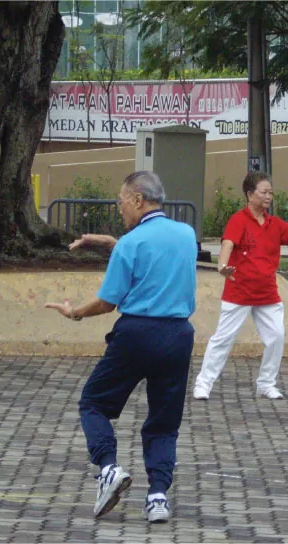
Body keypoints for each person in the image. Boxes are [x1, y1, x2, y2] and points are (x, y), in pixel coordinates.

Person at [45, 171, 197, 524]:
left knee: (93, 402)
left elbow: (107, 302)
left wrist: (75, 313)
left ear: (138, 200)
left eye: (121, 201)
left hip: (136, 334)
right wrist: (112, 243)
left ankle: (109, 467)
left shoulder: (131, 243)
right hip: (177, 336)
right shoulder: (186, 235)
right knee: (164, 420)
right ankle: (158, 496)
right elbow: (155, 252)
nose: (119, 208)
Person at [192, 171, 288, 400]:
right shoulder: (238, 220)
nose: (269, 196)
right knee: (223, 339)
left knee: (276, 337)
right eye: (264, 192)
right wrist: (222, 266)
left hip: (267, 293)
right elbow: (227, 244)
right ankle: (203, 385)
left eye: (271, 192)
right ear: (250, 194)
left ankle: (266, 384)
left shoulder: (273, 223)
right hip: (238, 291)